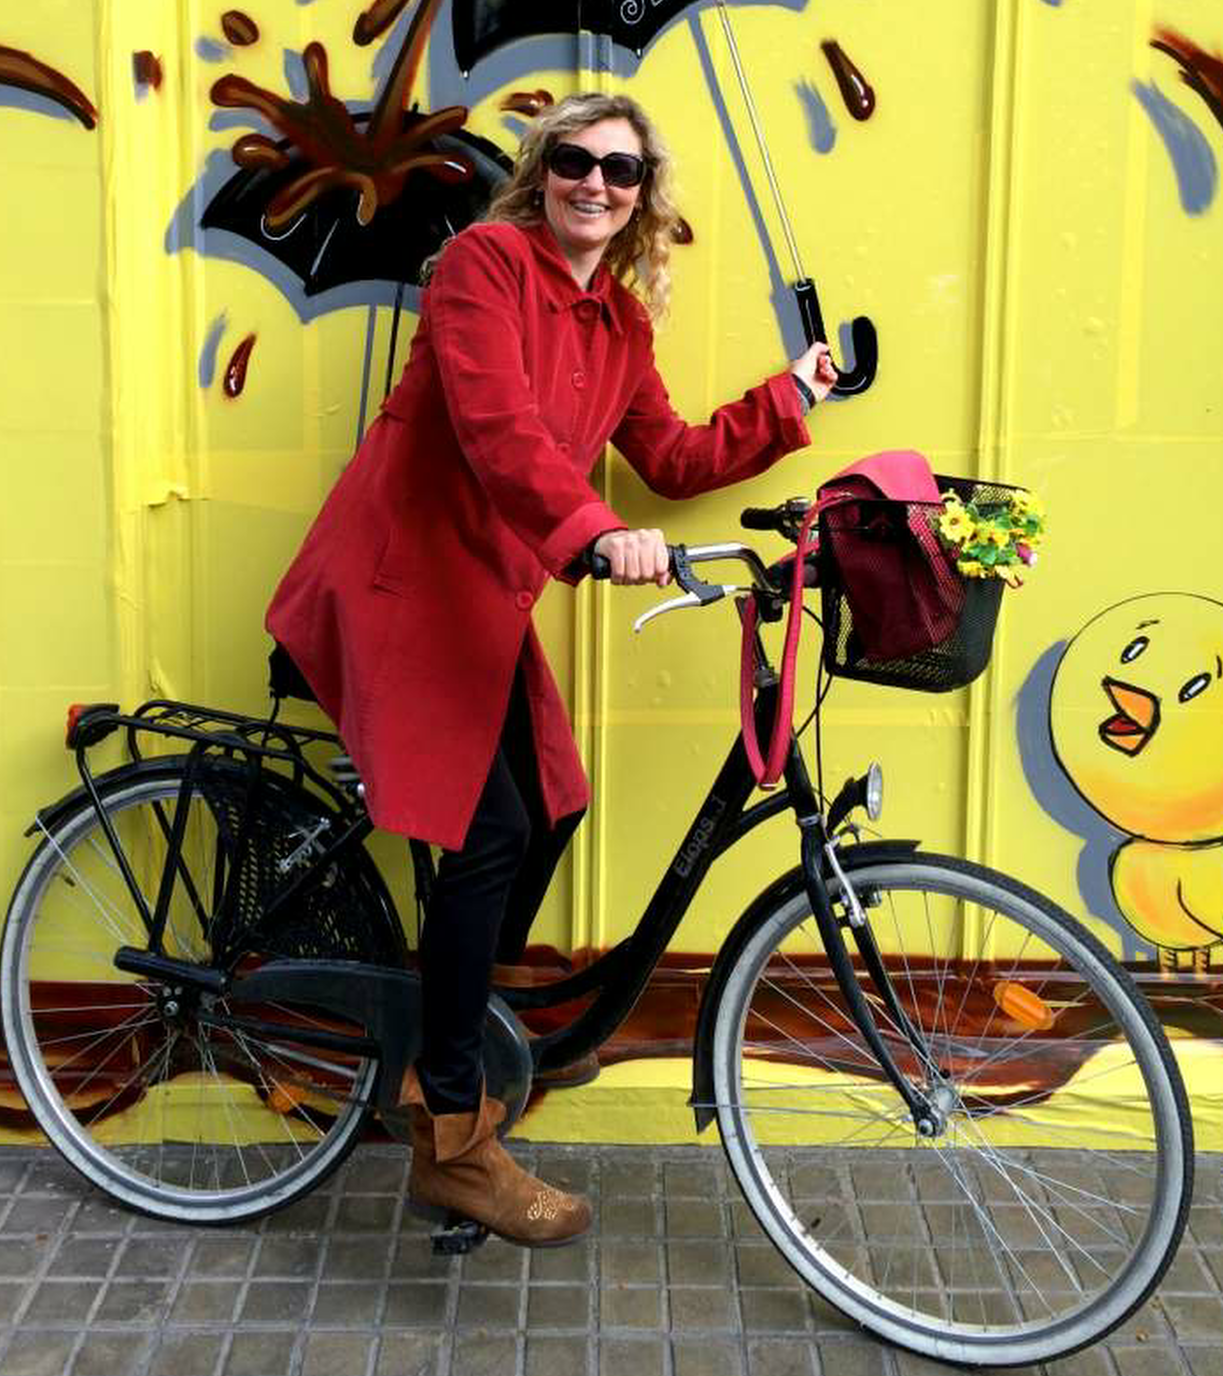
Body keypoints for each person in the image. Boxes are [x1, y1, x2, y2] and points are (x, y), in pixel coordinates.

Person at [266, 91, 835, 1246]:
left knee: (551, 808)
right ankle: (452, 1140)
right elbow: (497, 429)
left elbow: (667, 454)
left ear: (641, 197)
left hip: (482, 600)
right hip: (397, 586)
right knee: (489, 833)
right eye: (575, 159)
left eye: (621, 171)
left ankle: (458, 1028)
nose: (595, 183)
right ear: (542, 170)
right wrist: (593, 534)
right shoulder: (482, 265)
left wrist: (792, 397)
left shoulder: (617, 323)